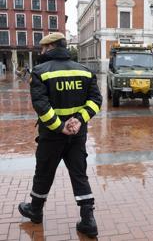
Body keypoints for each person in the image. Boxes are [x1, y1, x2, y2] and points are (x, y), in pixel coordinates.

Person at [18, 32, 102, 238]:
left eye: (43, 48)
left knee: (44, 172)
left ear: (51, 47)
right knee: (79, 174)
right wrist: (79, 119)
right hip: (77, 134)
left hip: (52, 135)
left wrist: (59, 126)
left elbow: (41, 105)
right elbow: (96, 101)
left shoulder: (40, 72)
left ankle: (35, 210)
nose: (41, 51)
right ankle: (88, 220)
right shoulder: (85, 71)